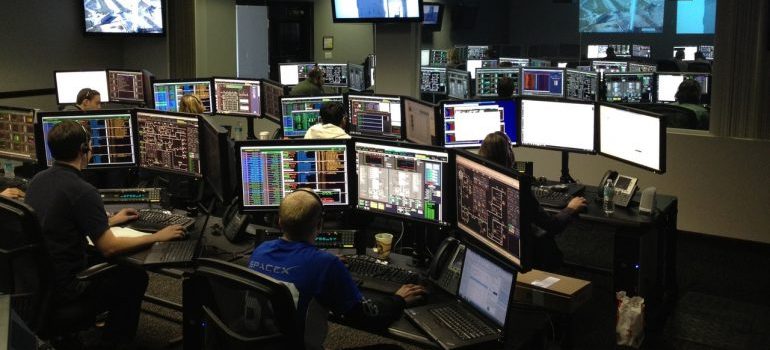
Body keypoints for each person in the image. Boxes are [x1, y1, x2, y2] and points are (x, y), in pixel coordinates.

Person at [24, 121, 185, 348]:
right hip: (67, 290)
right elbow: (110, 247)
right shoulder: (82, 190)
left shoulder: (38, 180)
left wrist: (109, 221)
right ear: (84, 150)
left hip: (38, 285)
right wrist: (158, 235)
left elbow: (61, 220)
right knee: (134, 277)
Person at [248, 189, 425, 347]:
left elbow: (296, 266)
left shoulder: (260, 251)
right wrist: (399, 299)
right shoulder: (326, 265)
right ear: (319, 225)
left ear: (280, 222)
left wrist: (321, 260)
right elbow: (367, 319)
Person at [478, 131, 588, 271]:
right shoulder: (517, 187)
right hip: (523, 254)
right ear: (509, 156)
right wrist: (571, 208)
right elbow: (552, 226)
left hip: (493, 246)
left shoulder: (479, 178)